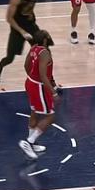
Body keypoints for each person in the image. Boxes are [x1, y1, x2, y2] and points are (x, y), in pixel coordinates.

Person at [0, 0, 39, 86]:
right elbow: (9, 18)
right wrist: (22, 31)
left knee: (42, 50)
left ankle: (43, 76)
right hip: (17, 28)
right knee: (10, 58)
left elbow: (29, 9)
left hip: (31, 26)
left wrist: (31, 22)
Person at [19, 29, 57, 160]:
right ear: (45, 40)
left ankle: (32, 143)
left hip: (30, 82)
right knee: (51, 116)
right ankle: (29, 142)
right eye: (48, 35)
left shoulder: (34, 48)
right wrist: (54, 93)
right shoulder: (45, 53)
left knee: (34, 112)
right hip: (38, 86)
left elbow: (26, 65)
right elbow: (43, 75)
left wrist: (32, 77)